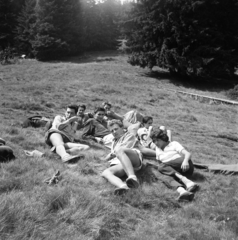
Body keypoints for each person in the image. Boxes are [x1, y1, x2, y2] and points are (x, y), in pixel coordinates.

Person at [150, 129, 199, 201]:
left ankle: (186, 181)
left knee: (161, 167)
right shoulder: (158, 149)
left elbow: (187, 154)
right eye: (153, 141)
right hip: (173, 170)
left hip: (183, 165)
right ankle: (182, 191)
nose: (155, 143)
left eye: (157, 140)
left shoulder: (173, 144)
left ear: (162, 138)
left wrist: (185, 161)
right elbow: (159, 163)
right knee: (165, 177)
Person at [101, 119, 144, 195]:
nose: (114, 132)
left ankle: (132, 178)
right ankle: (123, 186)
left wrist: (111, 154)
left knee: (120, 150)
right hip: (122, 163)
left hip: (134, 158)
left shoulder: (129, 135)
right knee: (105, 173)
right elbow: (111, 154)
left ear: (122, 128)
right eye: (112, 131)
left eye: (116, 129)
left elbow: (126, 148)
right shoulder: (114, 141)